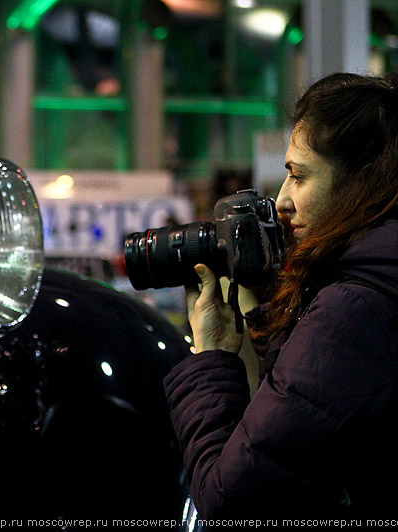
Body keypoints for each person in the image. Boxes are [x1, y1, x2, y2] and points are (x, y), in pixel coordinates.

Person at [164, 72, 398, 520]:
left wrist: (211, 359)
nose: (282, 200)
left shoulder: (351, 312)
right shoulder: (377, 285)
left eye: (298, 176)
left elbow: (229, 502)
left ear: (361, 185)